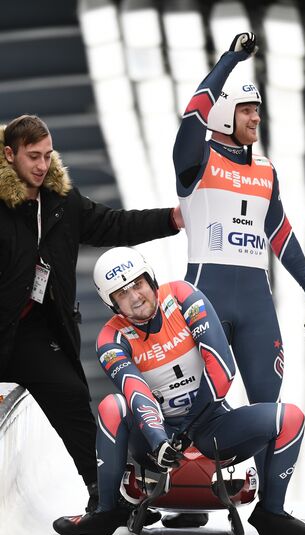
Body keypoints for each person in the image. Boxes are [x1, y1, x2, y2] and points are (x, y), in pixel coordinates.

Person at [53, 246, 305, 535]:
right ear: (112, 305)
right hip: (153, 438)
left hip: (210, 426)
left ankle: (273, 513)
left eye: (137, 284)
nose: (135, 297)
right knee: (112, 406)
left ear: (151, 279)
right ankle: (107, 511)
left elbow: (222, 367)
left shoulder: (183, 296)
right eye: (122, 294)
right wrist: (159, 438)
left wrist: (188, 430)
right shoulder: (110, 337)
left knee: (290, 417)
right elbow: (136, 390)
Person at [170, 32, 305, 527]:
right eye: (246, 109)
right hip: (206, 297)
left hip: (256, 301)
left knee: (269, 404)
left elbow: (280, 234)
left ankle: (273, 511)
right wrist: (230, 60)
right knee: (195, 400)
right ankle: (186, 497)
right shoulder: (195, 160)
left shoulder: (265, 170)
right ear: (223, 114)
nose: (255, 118)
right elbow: (192, 113)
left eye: (257, 111)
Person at [0, 114, 183, 512]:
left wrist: (171, 219)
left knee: (72, 395)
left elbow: (114, 225)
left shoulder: (61, 203)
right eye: (33, 156)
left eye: (48, 155)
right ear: (9, 154)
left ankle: (105, 495)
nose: (42, 165)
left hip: (34, 330)